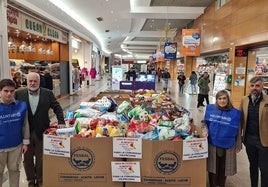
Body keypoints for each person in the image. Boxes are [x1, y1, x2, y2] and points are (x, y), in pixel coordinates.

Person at [15, 72, 65, 187]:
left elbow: (57, 107)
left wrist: (61, 122)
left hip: (42, 131)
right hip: (24, 133)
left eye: (35, 81)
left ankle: (41, 180)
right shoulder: (19, 94)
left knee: (41, 158)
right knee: (27, 159)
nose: (32, 83)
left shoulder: (47, 93)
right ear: (26, 82)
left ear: (39, 82)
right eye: (30, 81)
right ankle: (31, 181)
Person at [204, 90, 242, 187]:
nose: (222, 101)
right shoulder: (211, 110)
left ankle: (221, 184)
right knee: (213, 167)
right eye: (220, 98)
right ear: (216, 100)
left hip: (228, 145)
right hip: (213, 143)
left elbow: (238, 129)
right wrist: (204, 130)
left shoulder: (235, 113)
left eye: (224, 98)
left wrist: (238, 144)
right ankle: (213, 184)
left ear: (228, 99)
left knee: (224, 167)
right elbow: (204, 123)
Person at [0, 79, 30, 187]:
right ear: (0, 91)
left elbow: (25, 124)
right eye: (6, 91)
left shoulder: (21, 106)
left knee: (14, 170)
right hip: (0, 147)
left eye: (12, 91)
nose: (9, 94)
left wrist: (25, 142)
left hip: (16, 145)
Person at [240, 76, 268, 187]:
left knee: (265, 168)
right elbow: (240, 118)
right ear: (249, 87)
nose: (254, 88)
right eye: (252, 86)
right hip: (249, 140)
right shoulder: (244, 100)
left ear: (262, 86)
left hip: (264, 141)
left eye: (257, 85)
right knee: (253, 166)